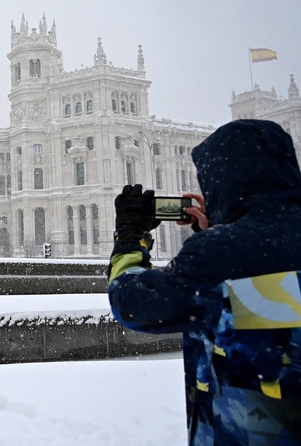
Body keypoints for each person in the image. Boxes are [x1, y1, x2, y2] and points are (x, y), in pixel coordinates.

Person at [107, 119, 301, 444]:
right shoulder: (231, 253)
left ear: (226, 181)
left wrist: (130, 237)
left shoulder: (221, 255)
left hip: (254, 432)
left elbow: (131, 302)